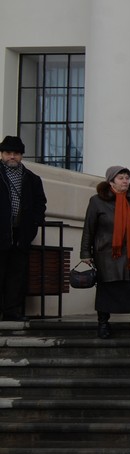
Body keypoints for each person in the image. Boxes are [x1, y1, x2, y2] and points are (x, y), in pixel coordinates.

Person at [81, 166, 130, 339]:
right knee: (108, 290)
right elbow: (89, 228)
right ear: (111, 181)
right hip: (108, 255)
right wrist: (85, 252)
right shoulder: (97, 201)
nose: (125, 181)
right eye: (121, 178)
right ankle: (103, 324)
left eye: (127, 177)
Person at [0, 136, 46, 322]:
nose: (12, 156)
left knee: (17, 275)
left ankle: (12, 311)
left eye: (16, 153)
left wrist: (33, 226)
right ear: (2, 154)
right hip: (2, 232)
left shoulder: (32, 179)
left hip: (21, 234)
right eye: (8, 153)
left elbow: (39, 204)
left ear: (21, 156)